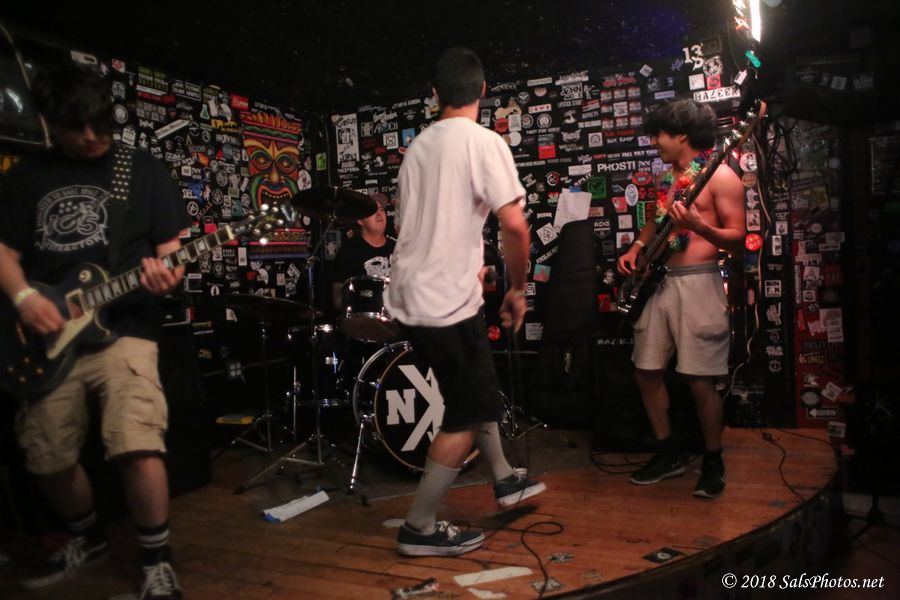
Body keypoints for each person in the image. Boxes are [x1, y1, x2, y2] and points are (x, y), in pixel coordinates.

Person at [0, 62, 189, 598]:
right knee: (46, 454)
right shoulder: (25, 177)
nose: (90, 136)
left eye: (99, 123)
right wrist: (24, 298)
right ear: (50, 122)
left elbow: (172, 255)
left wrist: (166, 277)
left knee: (137, 440)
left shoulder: (142, 170)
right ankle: (88, 537)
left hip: (125, 327)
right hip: (43, 337)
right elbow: (3, 252)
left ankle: (156, 559)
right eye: (75, 126)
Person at [384, 47, 546, 557]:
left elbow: (425, 227)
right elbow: (515, 226)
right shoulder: (483, 142)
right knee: (466, 411)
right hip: (444, 302)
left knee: (476, 389)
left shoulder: (417, 149)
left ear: (435, 94)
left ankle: (504, 477)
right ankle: (419, 526)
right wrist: (517, 289)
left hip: (411, 295)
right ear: (483, 90)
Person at [617, 98, 745, 499]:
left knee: (699, 379)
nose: (654, 142)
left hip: (698, 283)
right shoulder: (665, 179)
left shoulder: (720, 177)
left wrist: (699, 226)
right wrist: (636, 248)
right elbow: (653, 225)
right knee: (645, 371)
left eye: (659, 135)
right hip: (658, 283)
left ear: (682, 136)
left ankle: (713, 460)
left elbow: (738, 239)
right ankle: (668, 452)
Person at [331, 192, 394, 309]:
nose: (379, 213)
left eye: (381, 209)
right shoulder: (348, 252)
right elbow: (338, 300)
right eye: (372, 211)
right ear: (360, 220)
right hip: (365, 318)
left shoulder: (398, 248)